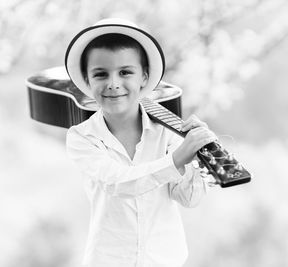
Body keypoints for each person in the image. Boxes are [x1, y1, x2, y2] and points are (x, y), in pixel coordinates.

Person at [65, 18, 217, 267]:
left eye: (125, 72)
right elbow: (118, 183)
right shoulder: (81, 137)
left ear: (144, 78)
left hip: (165, 260)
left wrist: (198, 157)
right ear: (87, 80)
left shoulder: (167, 129)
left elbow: (188, 198)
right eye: (101, 74)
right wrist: (178, 158)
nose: (113, 83)